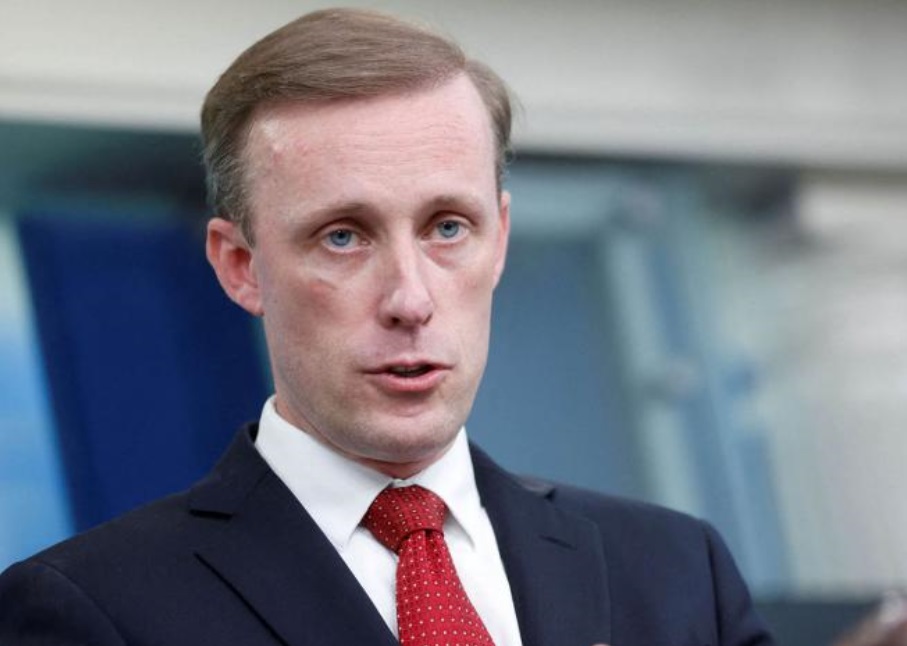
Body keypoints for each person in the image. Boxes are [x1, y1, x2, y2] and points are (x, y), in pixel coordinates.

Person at [0, 8, 775, 646]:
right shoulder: (91, 610)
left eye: (447, 227)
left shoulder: (675, 572)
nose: (410, 298)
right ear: (240, 266)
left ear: (499, 239)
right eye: (343, 236)